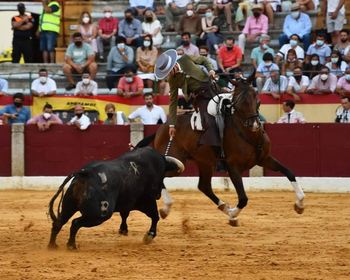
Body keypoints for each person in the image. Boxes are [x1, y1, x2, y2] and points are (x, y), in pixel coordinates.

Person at [154, 49, 218, 146]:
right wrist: (172, 125)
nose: (168, 75)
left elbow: (204, 60)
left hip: (212, 87)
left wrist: (211, 70)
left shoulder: (185, 59)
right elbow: (173, 102)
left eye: (169, 72)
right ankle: (216, 145)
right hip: (200, 98)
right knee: (208, 120)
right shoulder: (172, 80)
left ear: (173, 65)